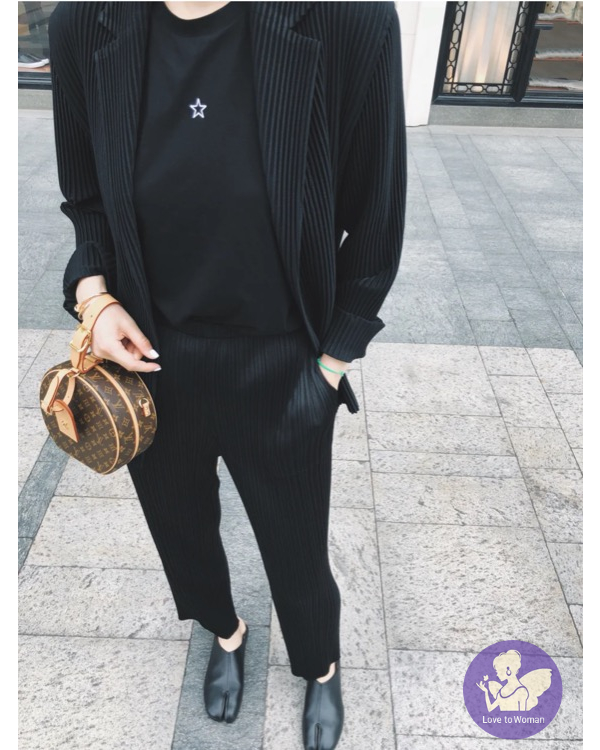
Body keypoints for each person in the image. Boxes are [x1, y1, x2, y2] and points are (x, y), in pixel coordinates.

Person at [48, 2, 406, 748]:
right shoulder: (85, 22)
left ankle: (320, 665)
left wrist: (330, 365)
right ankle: (225, 631)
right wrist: (95, 296)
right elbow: (86, 200)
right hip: (148, 364)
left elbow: (376, 217)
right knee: (180, 531)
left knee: (296, 547)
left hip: (284, 364)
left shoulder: (349, 19)